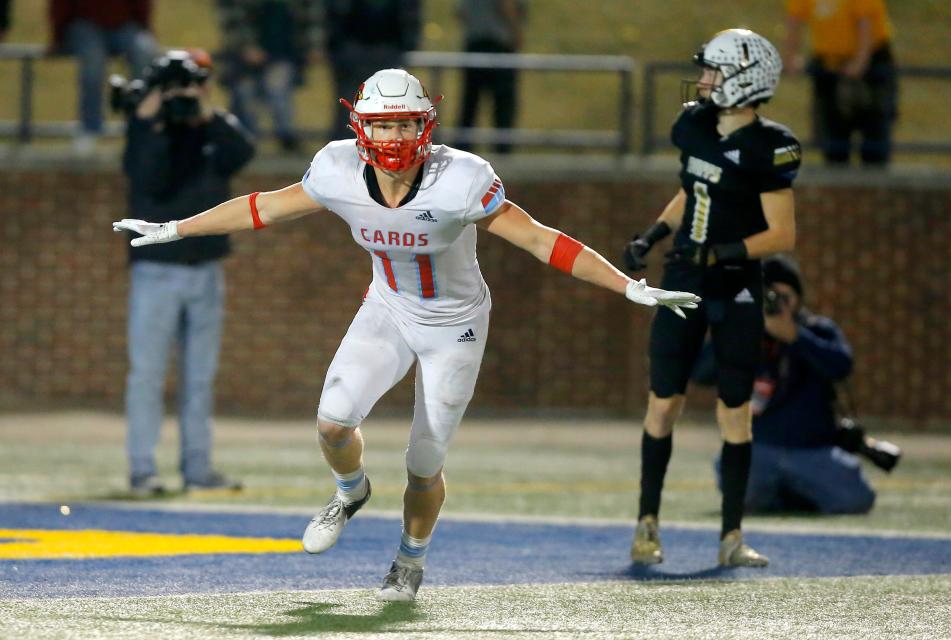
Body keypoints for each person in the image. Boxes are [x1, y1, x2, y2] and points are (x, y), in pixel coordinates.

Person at [114, 68, 700, 600]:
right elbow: (263, 206)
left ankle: (408, 562)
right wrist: (175, 228)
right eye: (382, 123)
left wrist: (629, 287)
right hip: (388, 309)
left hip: (456, 326)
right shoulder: (337, 168)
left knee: (424, 459)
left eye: (403, 122)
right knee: (332, 422)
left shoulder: (462, 178)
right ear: (360, 127)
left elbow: (541, 239)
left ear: (425, 125)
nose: (393, 136)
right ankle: (350, 492)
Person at [622, 29, 801, 568]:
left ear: (744, 81)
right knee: (664, 402)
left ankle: (730, 536)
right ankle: (646, 523)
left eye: (714, 72)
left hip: (737, 285)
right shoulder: (695, 125)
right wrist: (655, 233)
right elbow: (691, 188)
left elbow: (782, 233)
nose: (703, 80)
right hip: (683, 279)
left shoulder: (771, 146)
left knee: (736, 413)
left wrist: (722, 252)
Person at [120, 50, 255, 497]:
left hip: (206, 268)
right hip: (156, 271)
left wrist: (205, 110)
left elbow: (243, 152)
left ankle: (197, 469)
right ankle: (143, 470)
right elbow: (144, 176)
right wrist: (149, 115)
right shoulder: (145, 130)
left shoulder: (210, 129)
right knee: (147, 374)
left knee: (199, 377)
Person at [691, 255, 898, 514]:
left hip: (812, 451)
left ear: (798, 298)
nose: (777, 304)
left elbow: (841, 366)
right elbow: (700, 374)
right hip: (758, 449)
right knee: (739, 494)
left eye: (784, 296)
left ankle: (794, 493)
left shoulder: (817, 329)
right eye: (769, 296)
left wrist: (796, 338)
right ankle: (789, 495)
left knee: (856, 500)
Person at [783, 0, 897, 166]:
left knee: (874, 135)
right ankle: (838, 182)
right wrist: (790, 56)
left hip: (871, 60)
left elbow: (866, 20)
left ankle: (875, 185)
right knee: (833, 139)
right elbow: (794, 17)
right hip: (829, 62)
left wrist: (860, 61)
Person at [214, 0, 325, 152]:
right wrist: (246, 46)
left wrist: (313, 46)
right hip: (245, 58)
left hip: (282, 51)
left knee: (276, 87)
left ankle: (286, 137)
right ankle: (245, 141)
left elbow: (310, 17)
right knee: (246, 94)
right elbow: (233, 18)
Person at [48, 0, 157, 154]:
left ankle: (141, 127)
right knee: (93, 61)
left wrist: (146, 26)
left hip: (125, 26)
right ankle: (89, 129)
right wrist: (56, 36)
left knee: (144, 51)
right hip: (84, 25)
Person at [325, 0, 421, 139]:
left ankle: (375, 147)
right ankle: (352, 147)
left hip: (381, 48)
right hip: (357, 49)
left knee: (381, 105)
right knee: (353, 106)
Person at [456, 0, 527, 154]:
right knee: (503, 106)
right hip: (499, 43)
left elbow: (461, 12)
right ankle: (502, 153)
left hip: (474, 43)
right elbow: (506, 5)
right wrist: (516, 33)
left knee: (470, 104)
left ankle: (461, 153)